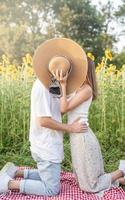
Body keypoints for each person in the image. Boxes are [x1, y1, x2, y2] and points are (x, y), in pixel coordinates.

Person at [0, 38, 88, 196]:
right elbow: (44, 120)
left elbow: (59, 111)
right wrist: (70, 128)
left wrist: (64, 86)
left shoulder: (53, 84)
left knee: (50, 176)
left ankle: (16, 172)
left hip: (49, 141)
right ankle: (9, 183)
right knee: (52, 189)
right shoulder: (42, 88)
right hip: (45, 144)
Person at [54, 56, 125, 197]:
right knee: (82, 179)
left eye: (77, 68)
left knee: (89, 186)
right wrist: (59, 83)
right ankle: (120, 179)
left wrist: (62, 85)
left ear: (85, 70)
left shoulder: (86, 89)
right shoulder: (76, 88)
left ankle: (121, 170)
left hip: (83, 138)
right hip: (77, 137)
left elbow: (64, 108)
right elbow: (60, 108)